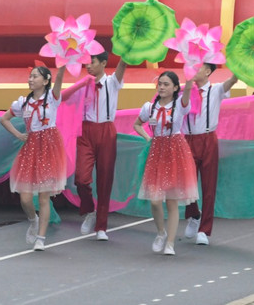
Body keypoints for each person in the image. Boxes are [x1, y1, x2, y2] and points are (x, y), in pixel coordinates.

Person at [61, 51, 129, 240]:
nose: (88, 66)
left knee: (105, 180)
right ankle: (90, 209)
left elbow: (122, 66)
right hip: (86, 132)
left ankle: (101, 227)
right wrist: (80, 84)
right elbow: (63, 98)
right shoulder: (83, 85)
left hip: (106, 130)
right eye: (86, 64)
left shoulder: (113, 82)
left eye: (92, 63)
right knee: (82, 178)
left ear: (103, 63)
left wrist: (128, 49)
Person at [0, 64, 66, 252]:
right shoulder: (22, 102)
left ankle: (41, 238)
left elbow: (59, 78)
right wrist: (19, 135)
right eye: (30, 76)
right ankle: (33, 220)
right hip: (30, 149)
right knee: (25, 198)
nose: (31, 79)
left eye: (35, 76)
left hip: (49, 147)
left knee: (44, 197)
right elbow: (3, 119)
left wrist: (62, 65)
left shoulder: (52, 98)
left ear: (45, 81)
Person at [133, 70, 197, 257]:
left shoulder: (180, 105)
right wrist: (147, 138)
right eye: (160, 83)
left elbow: (189, 90)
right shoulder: (149, 107)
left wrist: (191, 71)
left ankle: (170, 243)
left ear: (175, 87)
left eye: (166, 84)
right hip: (157, 151)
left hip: (175, 151)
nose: (161, 87)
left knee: (172, 201)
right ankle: (161, 232)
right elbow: (137, 124)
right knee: (154, 200)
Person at [181, 61, 238, 245]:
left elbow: (232, 81)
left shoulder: (217, 90)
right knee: (186, 182)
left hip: (208, 139)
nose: (192, 70)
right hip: (188, 139)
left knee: (208, 185)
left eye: (196, 67)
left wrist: (239, 71)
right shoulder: (185, 90)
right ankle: (193, 214)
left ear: (207, 71)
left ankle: (204, 230)